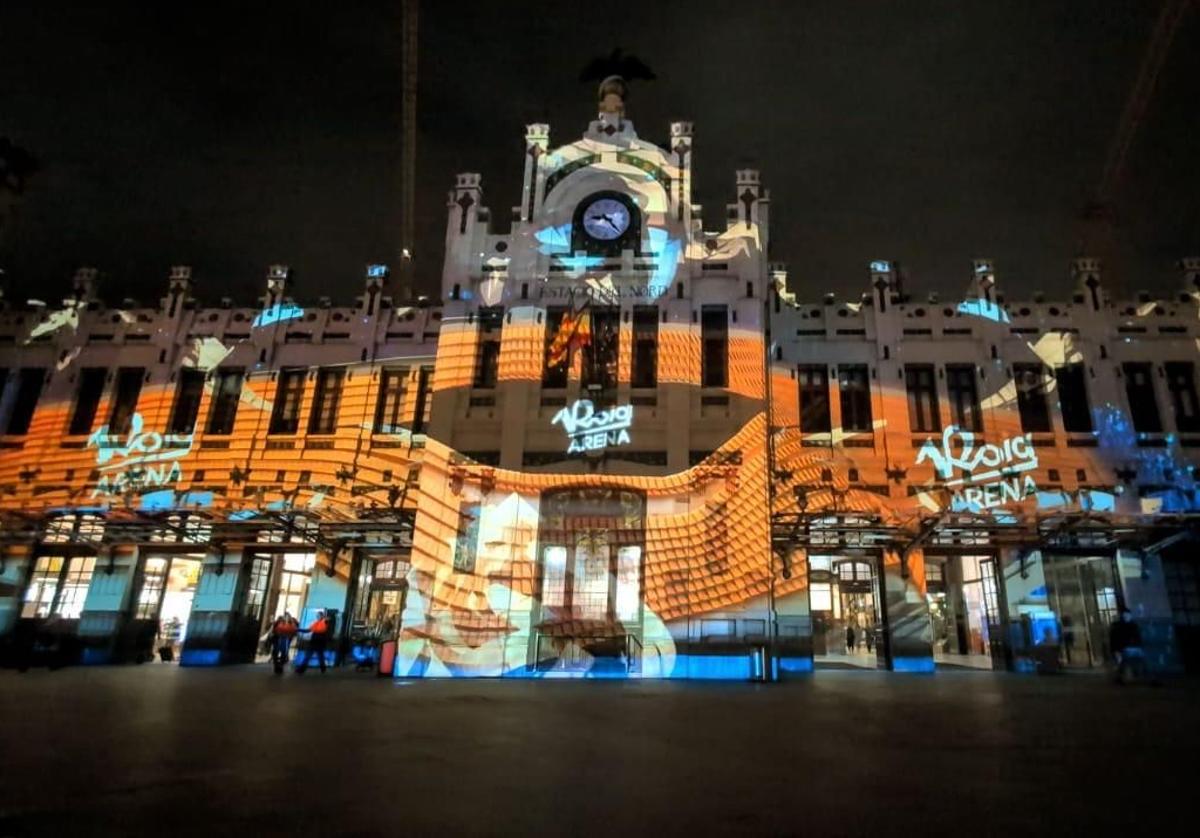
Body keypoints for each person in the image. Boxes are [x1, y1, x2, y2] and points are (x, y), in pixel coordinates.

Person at [1109, 609, 1145, 684]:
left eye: (1127, 616)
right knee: (1123, 663)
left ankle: (1124, 677)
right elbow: (1114, 639)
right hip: (1123, 648)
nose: (1126, 617)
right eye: (1125, 616)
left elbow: (1137, 637)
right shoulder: (1119, 627)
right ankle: (1122, 677)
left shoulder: (1132, 626)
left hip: (1129, 648)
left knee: (1126, 663)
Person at [296, 609, 330, 674]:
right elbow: (308, 630)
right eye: (317, 615)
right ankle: (322, 669)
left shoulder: (324, 622)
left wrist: (298, 630)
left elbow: (327, 621)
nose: (317, 616)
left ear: (322, 616)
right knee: (314, 656)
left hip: (319, 642)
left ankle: (301, 670)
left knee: (314, 656)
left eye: (319, 615)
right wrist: (299, 630)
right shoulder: (316, 623)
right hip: (315, 642)